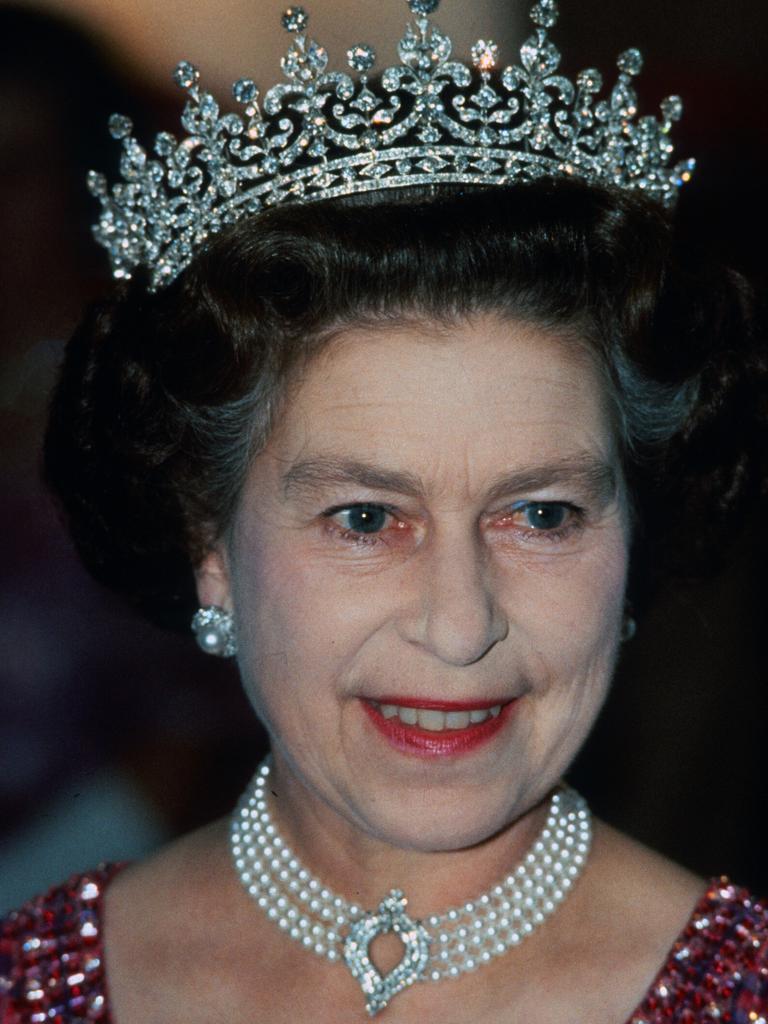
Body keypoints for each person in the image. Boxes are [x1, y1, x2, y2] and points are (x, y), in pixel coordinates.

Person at [2, 1, 767, 1021]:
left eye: (540, 514)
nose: (460, 626)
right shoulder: (28, 983)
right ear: (208, 541)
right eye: (366, 518)